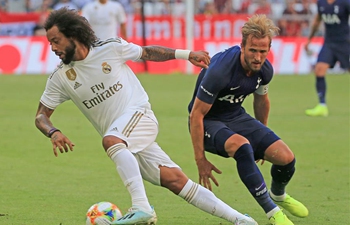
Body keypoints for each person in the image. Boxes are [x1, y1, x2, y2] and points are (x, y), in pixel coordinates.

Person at [34, 7, 259, 225]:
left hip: (140, 117)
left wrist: (187, 54)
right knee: (176, 181)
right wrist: (53, 132)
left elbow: (147, 52)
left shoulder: (110, 48)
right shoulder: (61, 77)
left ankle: (141, 207)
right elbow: (41, 116)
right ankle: (241, 219)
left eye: (56, 40)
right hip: (125, 140)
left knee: (111, 140)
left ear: (73, 35)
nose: (53, 47)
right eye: (50, 42)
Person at [187, 14, 309, 225]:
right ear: (242, 47)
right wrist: (200, 160)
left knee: (286, 158)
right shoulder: (220, 70)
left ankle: (278, 194)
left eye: (263, 51)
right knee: (243, 147)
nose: (257, 57)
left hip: (235, 115)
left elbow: (262, 101)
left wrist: (262, 136)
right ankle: (273, 212)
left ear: (269, 50)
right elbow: (196, 114)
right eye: (253, 50)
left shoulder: (265, 70)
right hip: (207, 120)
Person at [304, 0, 350, 117]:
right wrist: (309, 39)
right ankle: (322, 105)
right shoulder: (321, 3)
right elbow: (317, 21)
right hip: (329, 43)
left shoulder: (344, 2)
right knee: (319, 69)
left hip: (345, 43)